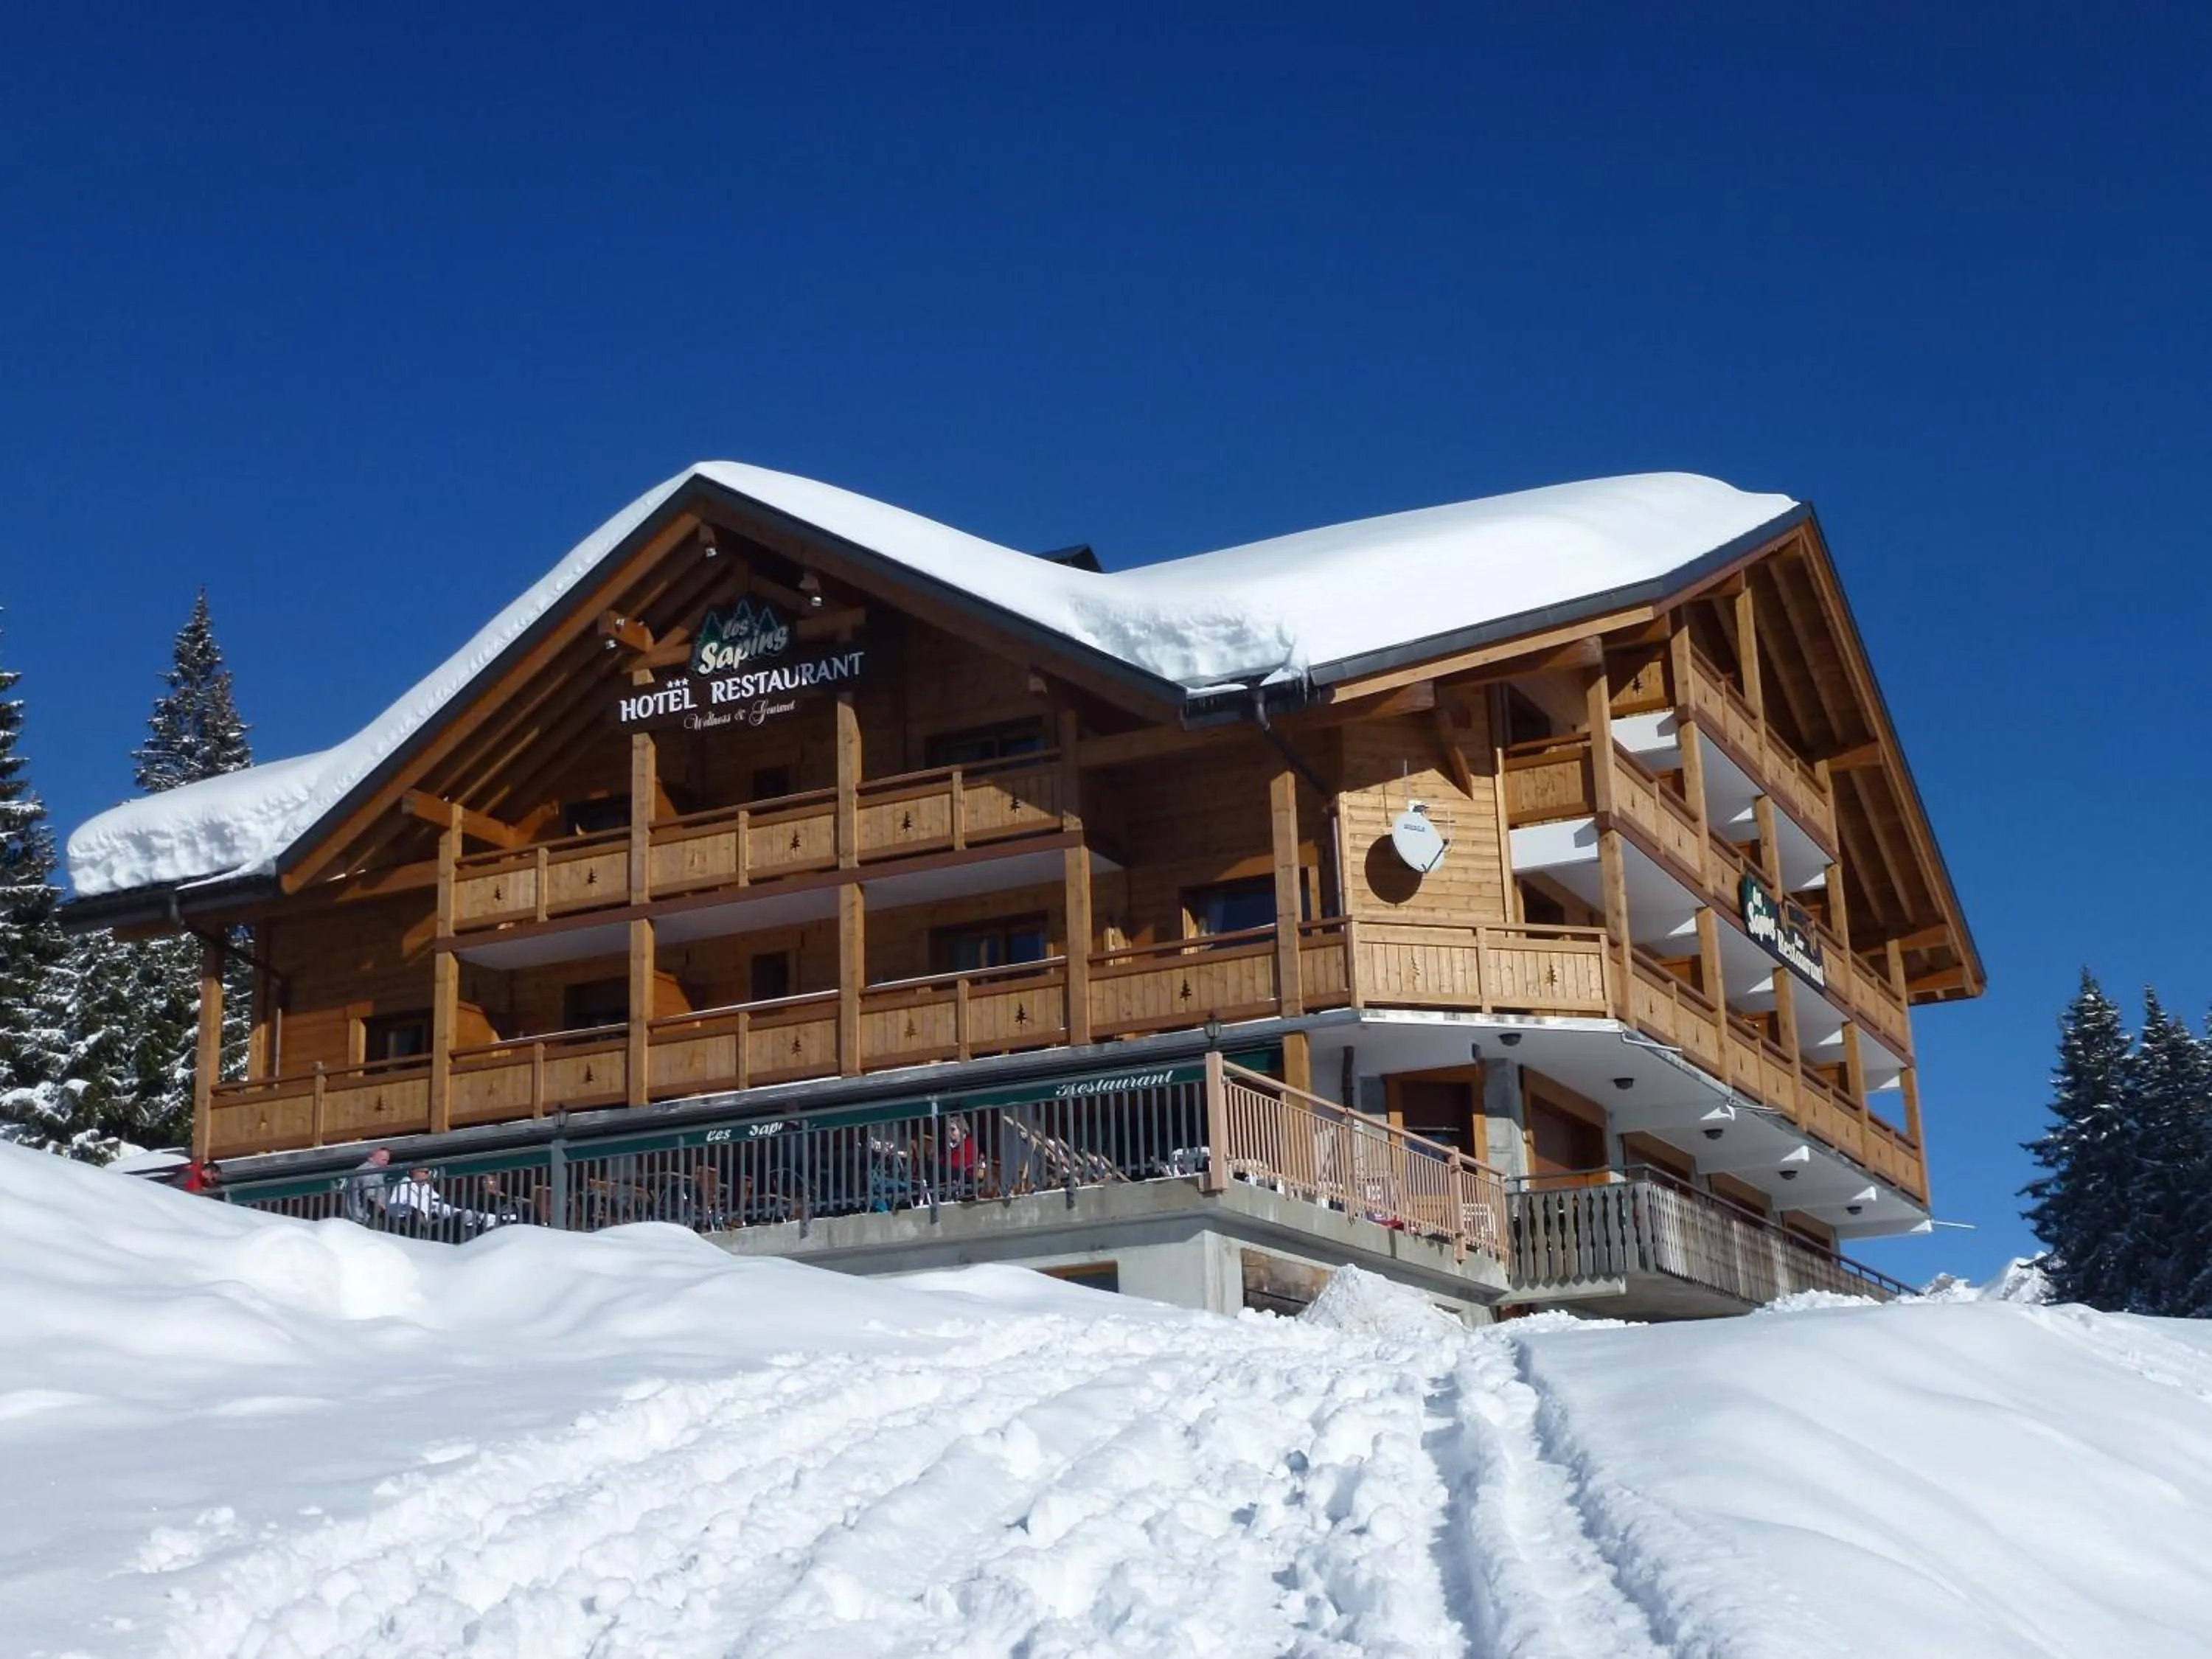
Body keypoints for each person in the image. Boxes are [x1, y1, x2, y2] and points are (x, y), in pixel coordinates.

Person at [343, 1147, 392, 1224]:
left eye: (387, 1160)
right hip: (366, 1217)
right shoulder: (370, 1171)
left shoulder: (363, 1169)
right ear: (371, 1158)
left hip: (358, 1215)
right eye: (383, 1160)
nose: (386, 1163)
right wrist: (382, 1205)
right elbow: (370, 1192)